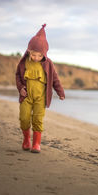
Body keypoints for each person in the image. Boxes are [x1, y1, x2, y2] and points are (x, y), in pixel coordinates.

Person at [16, 24, 65, 153]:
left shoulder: (48, 64)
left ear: (44, 54)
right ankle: (26, 139)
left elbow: (55, 79)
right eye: (33, 55)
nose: (36, 58)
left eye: (39, 55)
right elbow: (18, 76)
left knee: (37, 119)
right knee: (24, 118)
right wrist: (20, 88)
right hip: (26, 96)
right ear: (29, 52)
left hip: (40, 97)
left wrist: (60, 92)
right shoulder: (24, 62)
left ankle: (36, 144)